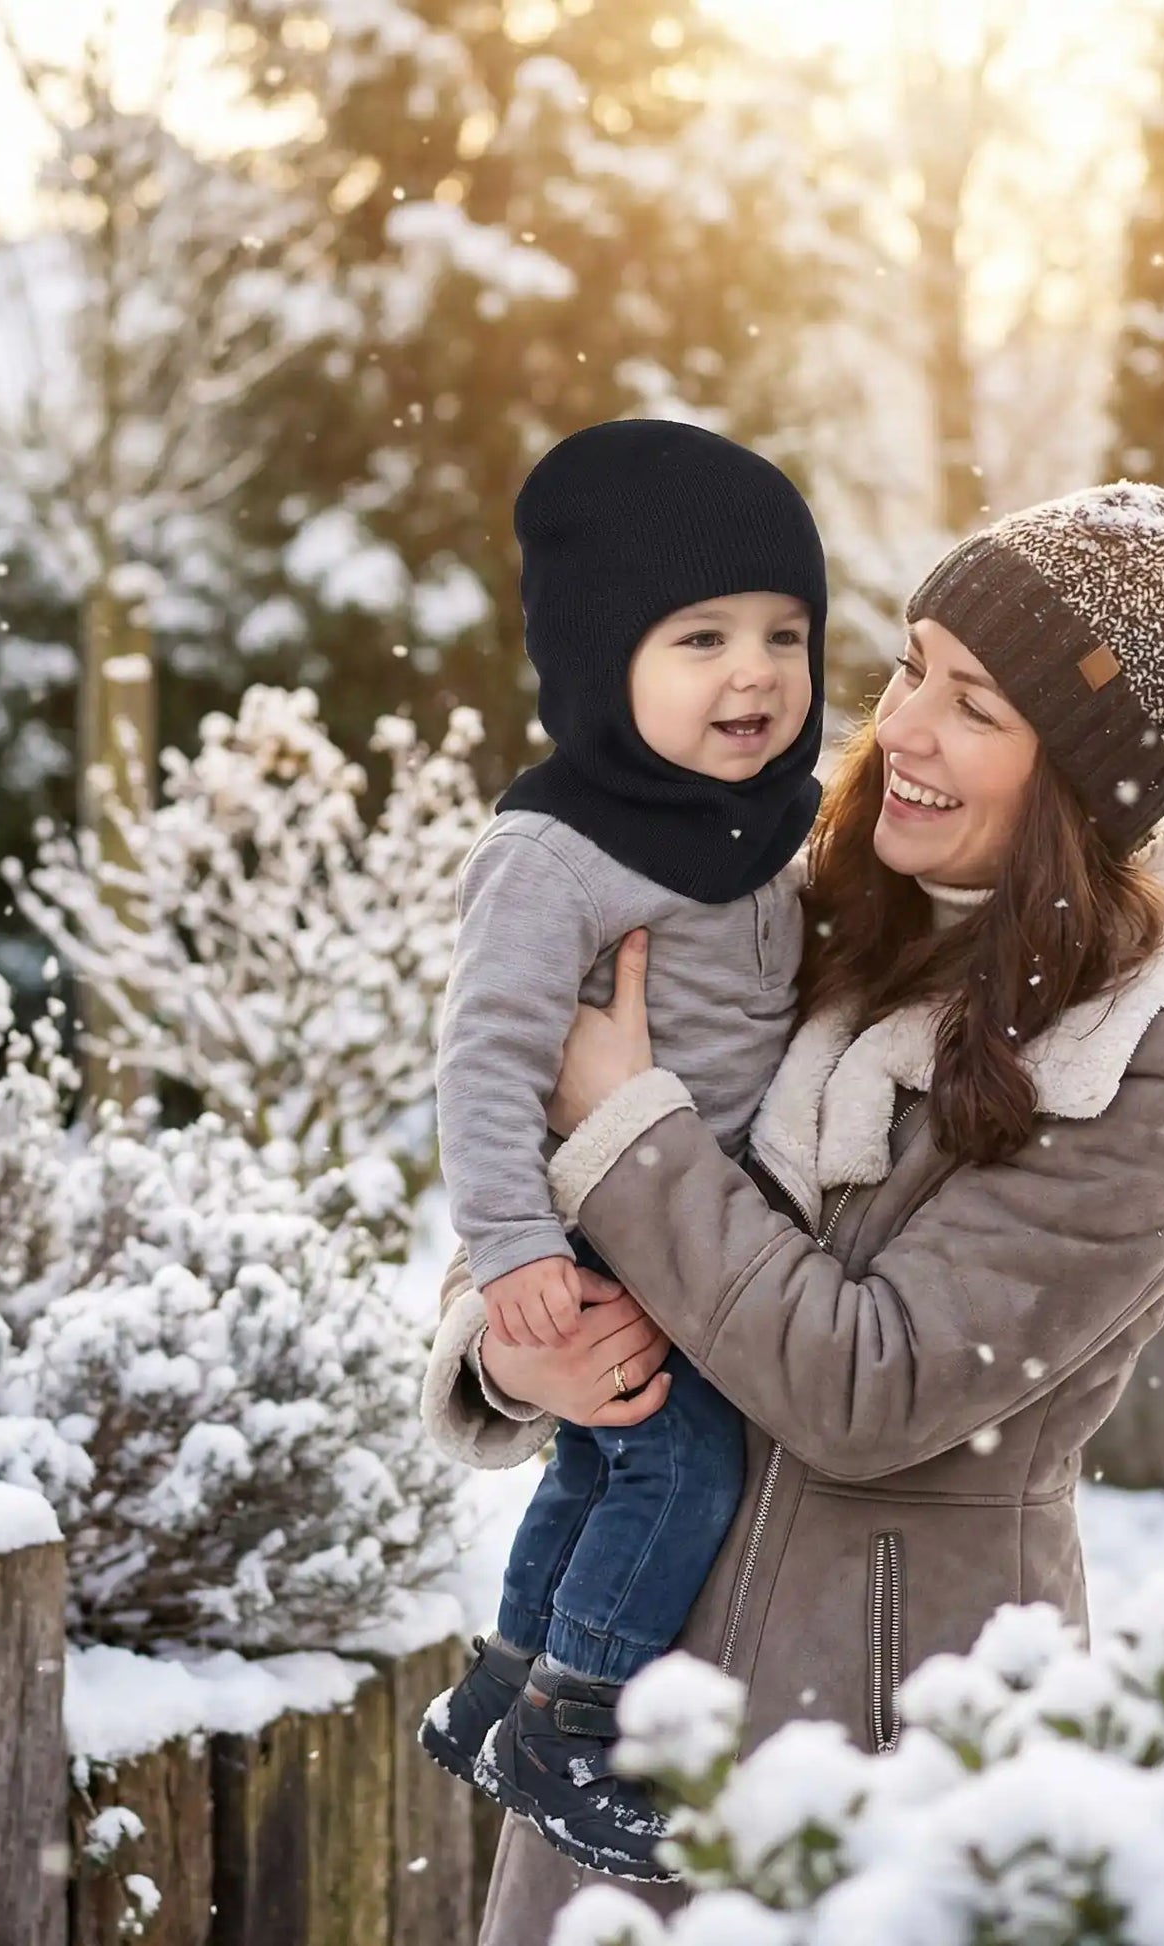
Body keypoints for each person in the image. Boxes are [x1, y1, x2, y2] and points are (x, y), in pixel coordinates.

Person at [420, 465, 1164, 1939]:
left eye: (976, 705)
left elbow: (867, 1383)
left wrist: (629, 1131)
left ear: (1081, 778)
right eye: (911, 666)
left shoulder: (1151, 1061)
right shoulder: (793, 898)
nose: (900, 728)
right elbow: (543, 1133)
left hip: (891, 1740)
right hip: (623, 1706)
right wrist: (505, 1338)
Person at [419, 418, 828, 1879]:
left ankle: (499, 1682)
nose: (754, 673)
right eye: (700, 635)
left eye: (785, 633)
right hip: (595, 1223)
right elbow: (484, 1063)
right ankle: (570, 1719)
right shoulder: (555, 850)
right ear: (605, 657)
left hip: (691, 1211)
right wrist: (518, 1248)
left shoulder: (777, 825)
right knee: (678, 1471)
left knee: (593, 1475)